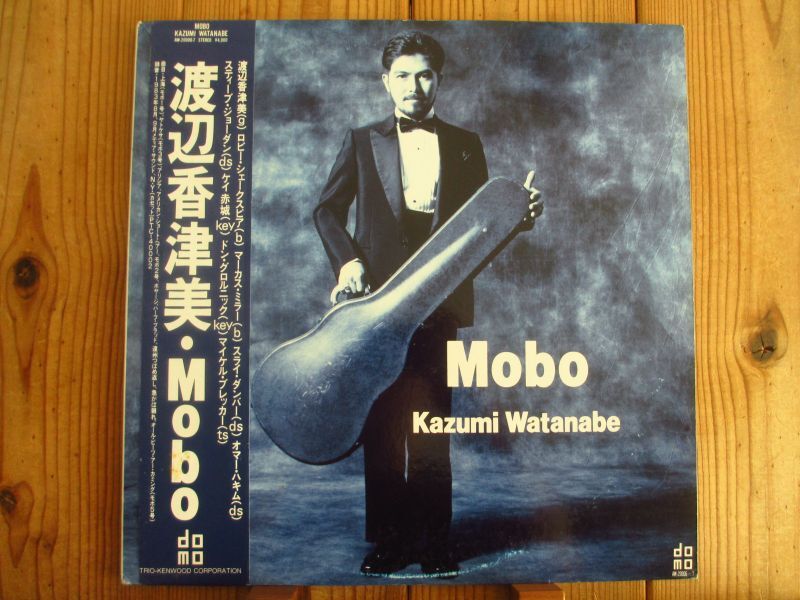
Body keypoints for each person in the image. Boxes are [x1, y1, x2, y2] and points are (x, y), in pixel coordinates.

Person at [313, 31, 542, 578]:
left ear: (438, 80)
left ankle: (435, 542)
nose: (413, 86)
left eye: (424, 75)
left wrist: (519, 217)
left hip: (439, 307)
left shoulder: (466, 144)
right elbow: (326, 211)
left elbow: (480, 233)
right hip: (376, 308)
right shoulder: (360, 141)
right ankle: (390, 542)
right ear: (385, 81)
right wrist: (347, 263)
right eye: (402, 75)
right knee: (384, 426)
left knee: (431, 426)